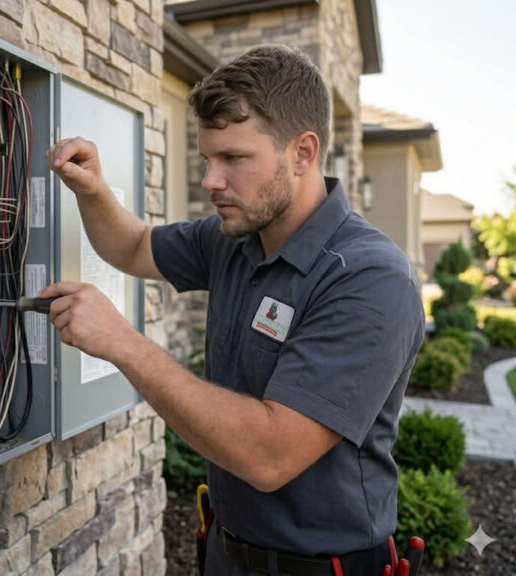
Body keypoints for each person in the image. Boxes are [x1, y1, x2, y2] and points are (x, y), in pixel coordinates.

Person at [41, 45, 425, 576]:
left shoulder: (367, 277)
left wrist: (122, 342)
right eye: (207, 159)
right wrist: (92, 190)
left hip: (323, 567)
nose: (210, 181)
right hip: (226, 551)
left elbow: (268, 455)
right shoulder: (236, 238)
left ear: (303, 153)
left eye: (234, 159)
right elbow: (129, 246)